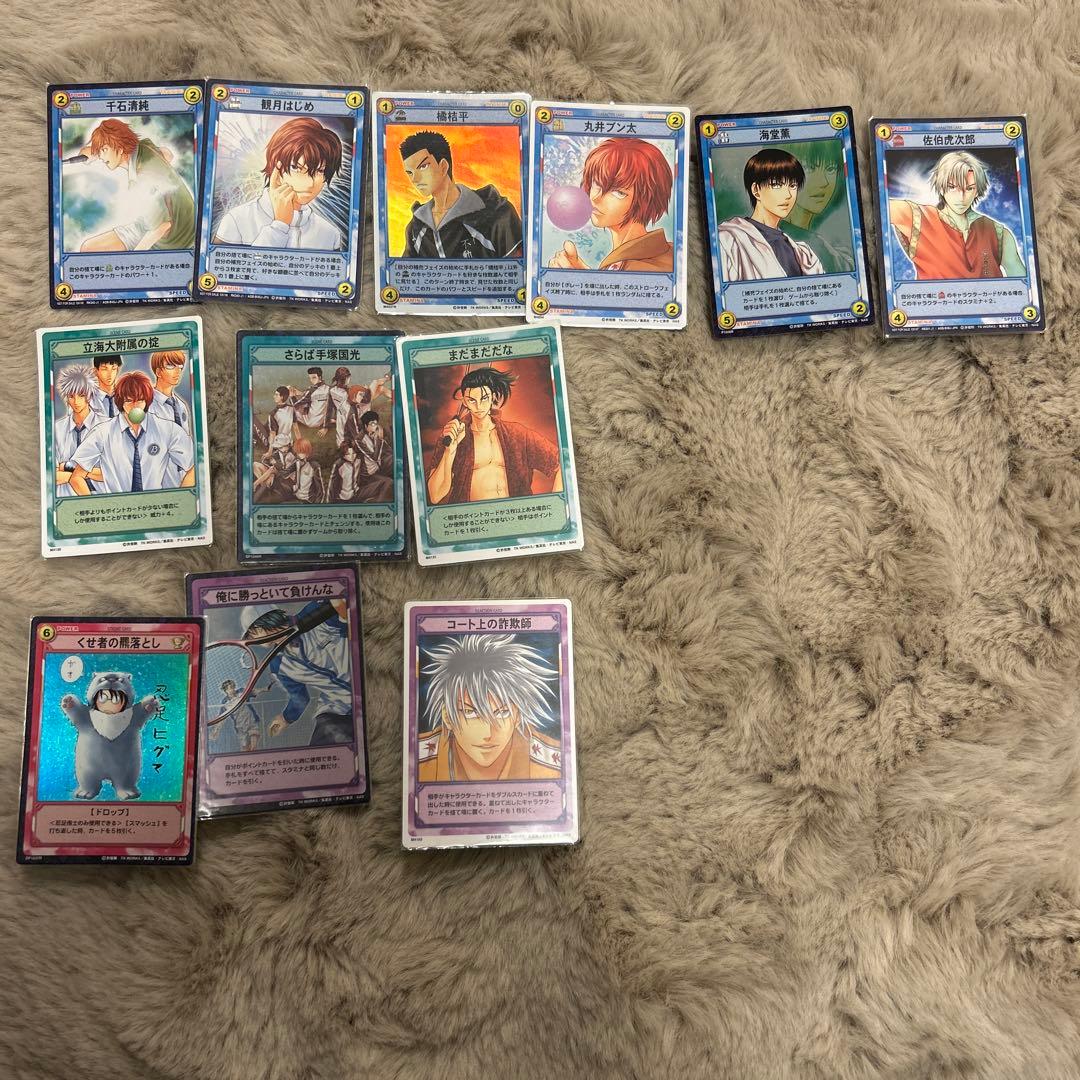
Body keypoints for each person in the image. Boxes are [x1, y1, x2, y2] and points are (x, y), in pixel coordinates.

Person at [417, 633, 562, 782]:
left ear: (517, 716)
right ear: (447, 717)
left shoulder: (555, 763)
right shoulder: (417, 759)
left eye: (502, 712)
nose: (487, 734)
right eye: (470, 712)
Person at [427, 367, 561, 505]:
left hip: (515, 513)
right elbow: (435, 496)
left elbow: (562, 462)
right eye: (472, 400)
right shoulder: (453, 436)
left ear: (493, 397)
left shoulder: (517, 434)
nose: (479, 406)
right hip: (475, 516)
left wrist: (555, 504)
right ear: (465, 401)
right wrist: (449, 451)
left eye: (484, 398)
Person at [887, 150, 1024, 279]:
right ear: (941, 187)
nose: (961, 197)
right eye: (952, 187)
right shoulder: (918, 217)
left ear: (977, 191)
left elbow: (1021, 281)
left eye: (969, 188)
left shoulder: (998, 232)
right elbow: (879, 206)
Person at [212, 117, 343, 249]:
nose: (309, 183)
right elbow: (219, 262)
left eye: (320, 171)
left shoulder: (330, 234)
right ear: (276, 166)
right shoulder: (237, 220)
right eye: (296, 168)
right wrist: (279, 226)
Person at [548, 137, 673, 271]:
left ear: (646, 200)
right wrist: (583, 271)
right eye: (597, 183)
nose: (596, 198)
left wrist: (578, 279)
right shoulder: (647, 256)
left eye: (618, 192)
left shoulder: (639, 266)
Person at [241, 602, 354, 746]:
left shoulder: (313, 611)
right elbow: (299, 697)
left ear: (260, 626)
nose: (252, 639)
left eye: (252, 633)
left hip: (369, 684)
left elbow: (347, 612)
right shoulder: (278, 665)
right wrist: (286, 718)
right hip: (336, 710)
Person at [77, 118, 196, 253]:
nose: (101, 157)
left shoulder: (145, 177)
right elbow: (167, 154)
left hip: (171, 240)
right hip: (162, 226)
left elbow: (162, 226)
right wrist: (95, 150)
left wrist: (134, 257)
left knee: (88, 249)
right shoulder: (143, 148)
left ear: (119, 149)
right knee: (88, 247)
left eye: (103, 150)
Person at [398, 130, 522, 259]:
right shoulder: (416, 228)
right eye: (410, 173)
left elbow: (519, 267)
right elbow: (405, 270)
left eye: (423, 167)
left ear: (443, 166)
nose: (415, 179)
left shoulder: (498, 213)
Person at [68, 370, 195, 495]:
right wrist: (97, 504)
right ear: (120, 402)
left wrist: (182, 497)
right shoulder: (103, 432)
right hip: (117, 506)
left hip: (155, 504)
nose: (135, 405)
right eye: (129, 400)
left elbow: (194, 466)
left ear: (147, 401)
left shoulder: (167, 429)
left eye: (140, 400)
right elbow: (76, 477)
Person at [715, 148, 825, 281]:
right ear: (756, 190)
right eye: (777, 185)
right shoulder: (728, 241)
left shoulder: (803, 254)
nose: (788, 195)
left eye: (793, 185)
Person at [780, 141, 854, 274]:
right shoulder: (768, 240)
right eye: (809, 168)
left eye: (830, 169)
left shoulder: (829, 249)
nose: (823, 182)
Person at [53, 364, 105, 497]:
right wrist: (80, 474)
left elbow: (112, 472)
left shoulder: (106, 425)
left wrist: (67, 468)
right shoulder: (57, 429)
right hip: (67, 497)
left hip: (102, 498)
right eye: (71, 396)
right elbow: (51, 475)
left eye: (81, 395)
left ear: (89, 396)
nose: (76, 401)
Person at [354, 410, 394, 503]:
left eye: (376, 423)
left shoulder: (374, 433)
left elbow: (388, 450)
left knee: (395, 460)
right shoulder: (359, 440)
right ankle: (377, 502)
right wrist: (379, 440)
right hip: (368, 475)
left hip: (378, 468)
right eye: (372, 424)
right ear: (365, 425)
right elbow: (374, 458)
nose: (375, 426)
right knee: (389, 482)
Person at [146, 350, 190, 434]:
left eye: (180, 367)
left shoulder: (181, 406)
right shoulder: (147, 404)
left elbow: (186, 436)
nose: (178, 371)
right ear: (158, 372)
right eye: (171, 366)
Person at [290, 367, 332, 433]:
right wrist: (302, 393)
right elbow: (315, 397)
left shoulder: (311, 390)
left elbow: (296, 405)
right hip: (321, 421)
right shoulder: (329, 388)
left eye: (314, 377)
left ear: (320, 377)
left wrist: (292, 396)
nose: (311, 380)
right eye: (310, 378)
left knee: (291, 409)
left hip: (310, 422)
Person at [89, 355, 123, 420]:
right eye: (104, 369)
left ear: (118, 370)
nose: (110, 374)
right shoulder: (89, 399)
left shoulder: (125, 396)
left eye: (113, 368)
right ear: (95, 371)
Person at [291, 438, 323, 504]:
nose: (299, 454)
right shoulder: (296, 463)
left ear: (307, 452)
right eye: (297, 452)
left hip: (309, 500)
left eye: (301, 452)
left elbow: (320, 489)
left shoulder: (314, 466)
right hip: (296, 497)